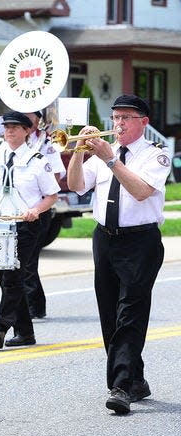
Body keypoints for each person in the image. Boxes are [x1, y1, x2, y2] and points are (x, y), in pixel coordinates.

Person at [66, 94, 170, 415]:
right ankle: (135, 379)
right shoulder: (101, 155)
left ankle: (121, 387)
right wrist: (78, 151)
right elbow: (75, 186)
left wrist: (112, 160)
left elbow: (141, 192)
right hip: (105, 239)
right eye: (115, 117)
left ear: (143, 122)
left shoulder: (156, 156)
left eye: (126, 117)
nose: (119, 124)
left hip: (140, 242)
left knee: (130, 315)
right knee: (109, 315)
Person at [0, 112, 59, 349]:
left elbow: (51, 196)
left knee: (14, 275)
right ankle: (25, 332)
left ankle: (1, 324)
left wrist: (36, 210)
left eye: (15, 127)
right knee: (4, 276)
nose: (10, 131)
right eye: (6, 127)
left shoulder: (37, 160)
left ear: (27, 131)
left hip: (26, 225)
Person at [22, 111, 65, 321]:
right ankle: (28, 304)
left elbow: (56, 176)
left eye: (30, 117)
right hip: (19, 210)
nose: (27, 121)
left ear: (38, 120)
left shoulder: (48, 144)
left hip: (40, 208)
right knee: (20, 262)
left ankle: (34, 307)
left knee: (29, 261)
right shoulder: (16, 143)